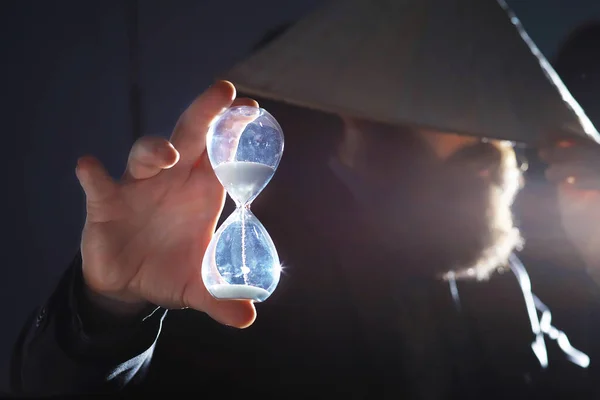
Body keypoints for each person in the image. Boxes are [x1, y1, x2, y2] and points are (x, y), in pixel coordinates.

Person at [10, 1, 600, 398]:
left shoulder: (497, 282)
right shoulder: (236, 273)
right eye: (462, 113)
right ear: (359, 123)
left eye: (497, 125)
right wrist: (108, 311)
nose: (497, 144)